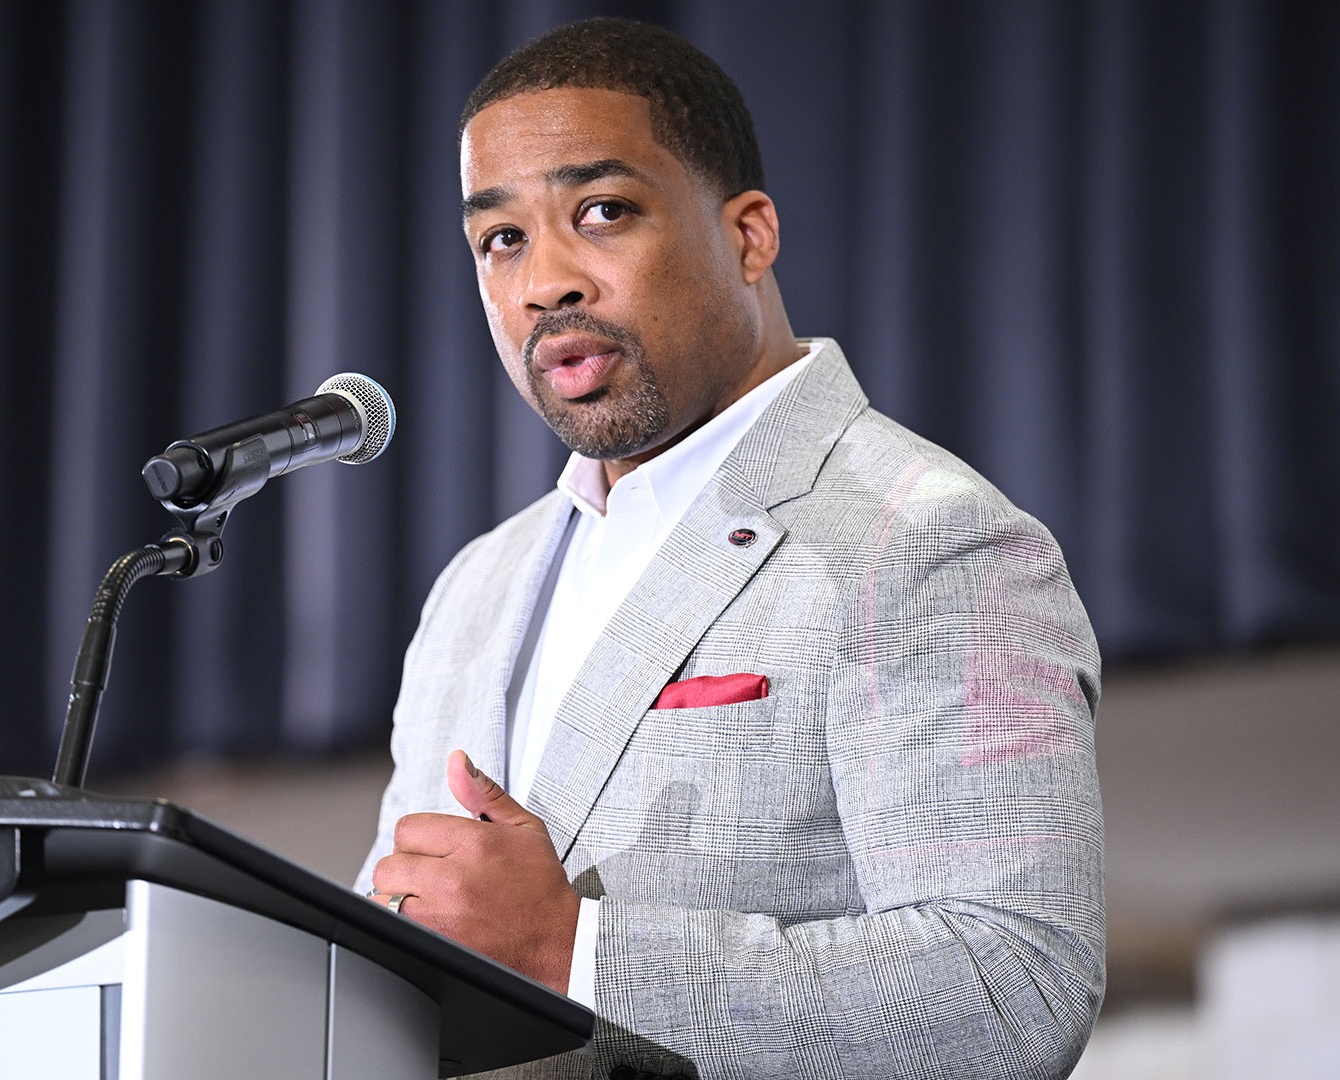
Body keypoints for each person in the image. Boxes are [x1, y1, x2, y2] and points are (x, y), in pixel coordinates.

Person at [357, 18, 1104, 1079]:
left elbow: (1015, 986)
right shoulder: (475, 589)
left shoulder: (927, 538)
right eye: (501, 240)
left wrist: (581, 952)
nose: (545, 284)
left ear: (749, 235)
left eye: (602, 212)